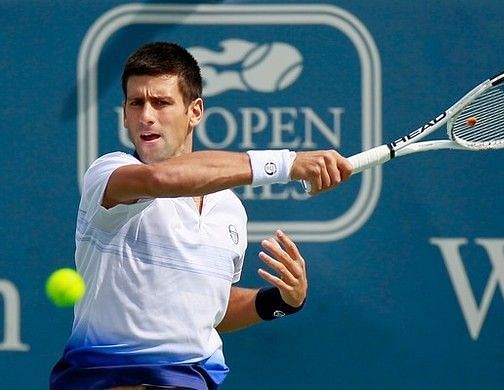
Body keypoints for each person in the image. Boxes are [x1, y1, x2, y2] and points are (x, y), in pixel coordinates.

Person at [50, 42, 352, 389]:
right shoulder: (110, 174)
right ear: (124, 113)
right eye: (136, 103)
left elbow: (211, 310)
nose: (146, 115)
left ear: (195, 111)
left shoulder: (230, 210)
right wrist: (285, 163)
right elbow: (161, 177)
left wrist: (279, 301)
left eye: (161, 102)